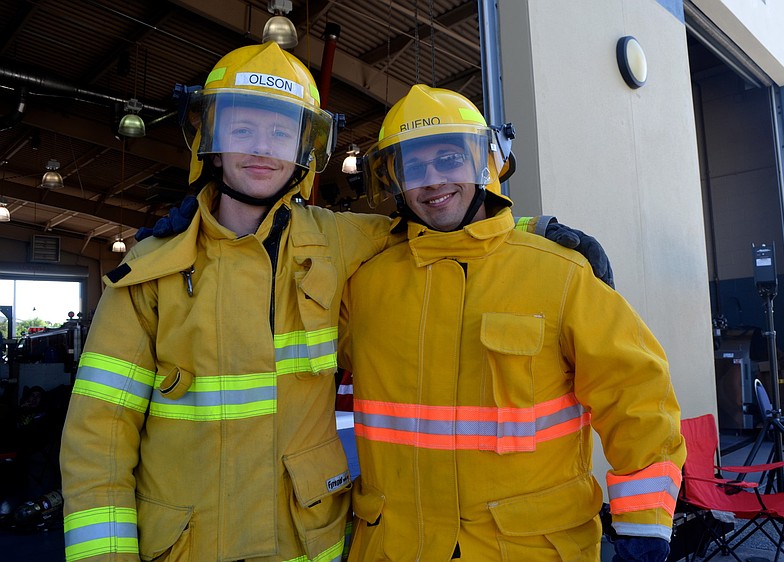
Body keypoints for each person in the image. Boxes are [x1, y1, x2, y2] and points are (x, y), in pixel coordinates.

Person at [59, 43, 611, 562]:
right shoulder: (151, 271)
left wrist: (528, 230)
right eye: (243, 128)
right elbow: (98, 436)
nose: (262, 148)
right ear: (210, 139)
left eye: (281, 132)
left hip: (307, 542)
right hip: (188, 546)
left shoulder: (339, 240)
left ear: (305, 147)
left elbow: (438, 223)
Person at [338, 85, 686, 562]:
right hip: (395, 548)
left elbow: (636, 396)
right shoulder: (364, 285)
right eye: (414, 167)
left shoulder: (560, 274)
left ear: (485, 162)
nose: (433, 180)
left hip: (530, 548)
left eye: (449, 159)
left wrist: (644, 527)